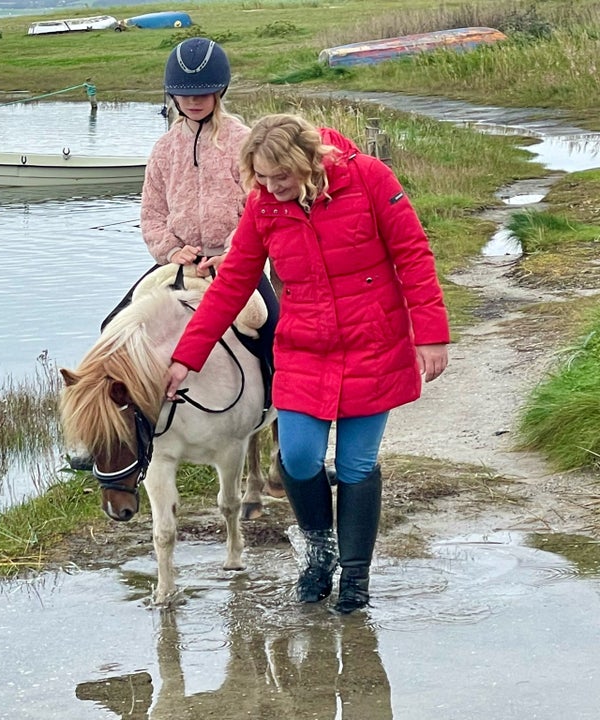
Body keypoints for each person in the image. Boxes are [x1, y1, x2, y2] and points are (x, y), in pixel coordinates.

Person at [164, 113, 450, 613]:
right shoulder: (263, 207)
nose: (272, 189)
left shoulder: (369, 179)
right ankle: (320, 557)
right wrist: (186, 358)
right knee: (296, 457)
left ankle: (355, 580)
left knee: (356, 465)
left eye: (282, 178)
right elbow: (232, 284)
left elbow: (413, 254)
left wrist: (430, 335)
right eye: (263, 179)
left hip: (373, 343)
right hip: (303, 350)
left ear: (309, 163)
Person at [102, 37, 278, 380]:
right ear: (173, 96)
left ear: (220, 91)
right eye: (185, 94)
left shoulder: (243, 142)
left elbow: (259, 206)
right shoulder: (164, 149)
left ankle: (280, 406)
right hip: (178, 261)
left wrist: (234, 252)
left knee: (273, 327)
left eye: (202, 93)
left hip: (237, 261)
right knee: (111, 326)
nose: (194, 101)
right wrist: (171, 250)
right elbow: (152, 213)